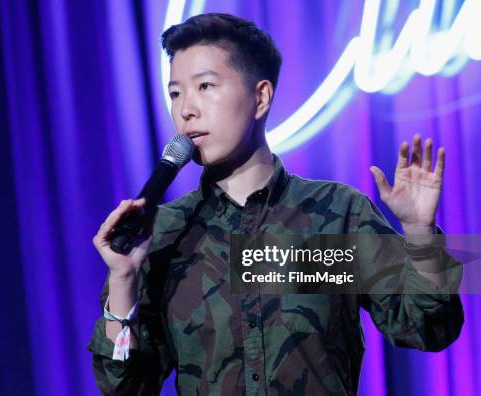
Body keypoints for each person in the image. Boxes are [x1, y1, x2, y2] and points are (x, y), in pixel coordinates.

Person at [88, 13, 463, 395]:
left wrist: (419, 234)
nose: (186, 109)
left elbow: (428, 328)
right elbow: (124, 387)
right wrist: (123, 280)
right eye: (175, 93)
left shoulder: (336, 214)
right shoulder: (163, 233)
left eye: (205, 86)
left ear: (261, 96)